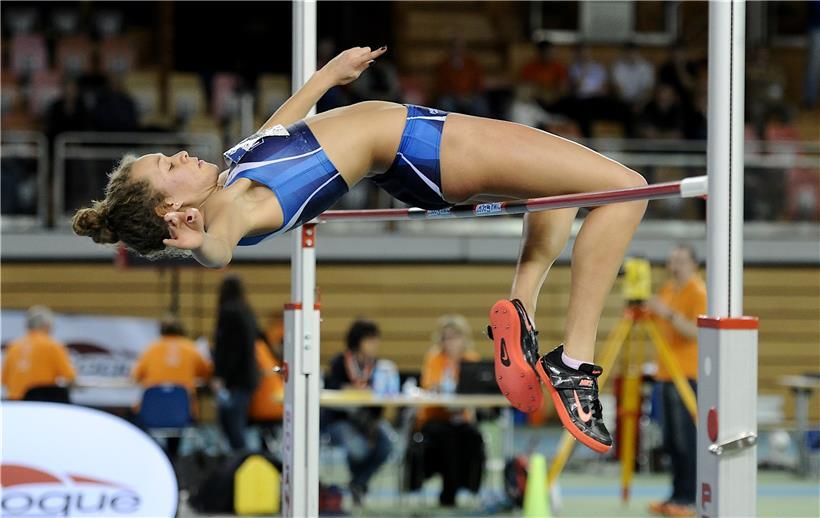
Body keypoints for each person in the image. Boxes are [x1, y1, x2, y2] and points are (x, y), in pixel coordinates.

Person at [72, 45, 650, 453]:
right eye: (169, 168)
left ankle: (519, 310)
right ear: (169, 214)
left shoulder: (228, 176)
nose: (180, 156)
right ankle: (573, 363)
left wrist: (325, 78)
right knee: (626, 190)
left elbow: (278, 130)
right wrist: (198, 245)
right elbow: (221, 250)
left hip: (415, 141)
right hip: (422, 147)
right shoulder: (227, 214)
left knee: (566, 189)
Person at [646, 244, 705, 517]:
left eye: (681, 260)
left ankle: (689, 499)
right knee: (669, 440)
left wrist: (666, 312)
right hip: (665, 375)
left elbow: (695, 331)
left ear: (694, 263)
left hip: (687, 375)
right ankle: (675, 495)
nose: (675, 266)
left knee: (686, 441)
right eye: (671, 261)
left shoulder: (698, 291)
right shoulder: (667, 290)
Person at [321, 319, 393, 506]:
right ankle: (358, 486)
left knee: (387, 445)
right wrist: (351, 390)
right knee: (359, 449)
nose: (375, 345)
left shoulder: (378, 366)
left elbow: (379, 400)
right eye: (370, 340)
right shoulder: (340, 362)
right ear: (358, 341)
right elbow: (331, 389)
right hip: (339, 419)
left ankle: (358, 483)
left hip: (366, 420)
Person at [415, 315, 484, 507]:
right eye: (446, 337)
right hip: (435, 417)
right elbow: (429, 386)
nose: (450, 342)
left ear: (463, 339)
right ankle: (449, 491)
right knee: (447, 437)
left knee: (473, 436)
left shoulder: (471, 360)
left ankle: (468, 485)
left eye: (455, 337)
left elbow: (476, 391)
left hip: (461, 417)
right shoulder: (435, 358)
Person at [131, 313, 213, 459]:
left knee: (133, 418)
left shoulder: (151, 349)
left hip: (152, 412)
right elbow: (207, 372)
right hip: (182, 413)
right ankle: (173, 458)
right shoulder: (191, 348)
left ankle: (155, 456)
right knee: (176, 427)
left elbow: (136, 376)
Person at [212, 274, 260, 451]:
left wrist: (220, 376)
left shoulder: (228, 313)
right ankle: (241, 462)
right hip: (248, 376)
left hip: (235, 379)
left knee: (233, 427)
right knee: (236, 426)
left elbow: (228, 350)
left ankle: (242, 464)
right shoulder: (247, 312)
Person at [2, 306, 76, 401]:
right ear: (46, 325)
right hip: (40, 405)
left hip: (15, 405)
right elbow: (70, 377)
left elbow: (4, 380)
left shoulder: (13, 346)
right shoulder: (52, 346)